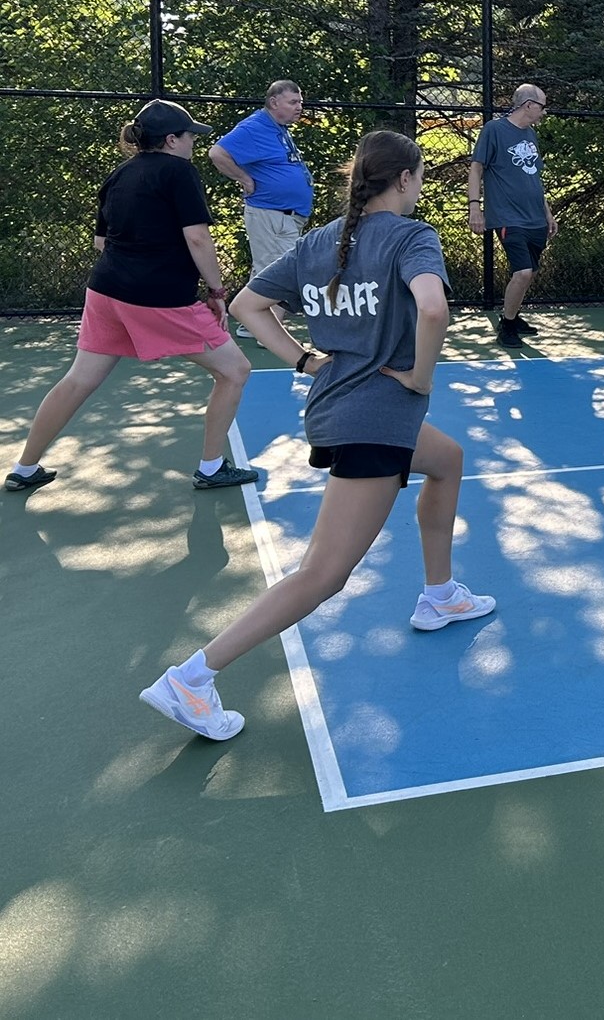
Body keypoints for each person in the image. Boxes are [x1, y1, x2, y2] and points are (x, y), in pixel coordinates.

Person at [139, 130, 496, 742]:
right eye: (418, 179)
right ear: (405, 179)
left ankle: (440, 593)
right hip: (376, 418)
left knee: (447, 459)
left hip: (339, 405)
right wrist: (418, 375)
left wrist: (303, 360)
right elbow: (432, 309)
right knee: (323, 574)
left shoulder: (319, 242)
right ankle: (193, 678)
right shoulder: (412, 237)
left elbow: (250, 305)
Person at [8, 100, 256, 495]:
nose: (193, 141)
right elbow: (197, 237)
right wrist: (216, 291)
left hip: (105, 292)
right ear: (172, 140)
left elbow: (100, 242)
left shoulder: (118, 174)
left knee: (79, 379)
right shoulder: (179, 171)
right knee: (235, 370)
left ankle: (24, 468)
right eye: (190, 134)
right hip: (157, 298)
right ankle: (211, 468)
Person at [207, 78, 315, 338]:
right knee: (282, 272)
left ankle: (250, 324)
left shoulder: (278, 129)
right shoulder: (255, 127)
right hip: (271, 214)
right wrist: (244, 179)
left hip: (285, 216)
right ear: (274, 102)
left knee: (266, 270)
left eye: (300, 101)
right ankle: (270, 334)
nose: (299, 106)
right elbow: (217, 153)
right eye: (293, 102)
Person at [468, 83, 556, 347]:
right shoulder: (494, 130)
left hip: (535, 218)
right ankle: (506, 326)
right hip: (507, 217)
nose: (543, 112)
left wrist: (547, 213)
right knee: (524, 272)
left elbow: (534, 177)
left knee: (528, 271)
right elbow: (476, 169)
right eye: (542, 106)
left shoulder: (531, 135)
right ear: (529, 105)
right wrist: (475, 206)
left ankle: (513, 316)